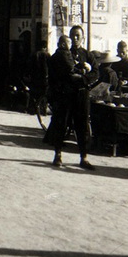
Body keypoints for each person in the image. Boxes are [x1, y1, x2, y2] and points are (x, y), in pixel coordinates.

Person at [44, 26, 99, 170]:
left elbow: (96, 73)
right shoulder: (62, 54)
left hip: (81, 94)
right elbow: (56, 74)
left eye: (78, 36)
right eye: (73, 36)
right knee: (61, 124)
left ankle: (84, 157)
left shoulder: (87, 55)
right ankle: (58, 154)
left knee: (82, 126)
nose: (75, 39)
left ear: (83, 37)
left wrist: (83, 79)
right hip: (65, 95)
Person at [26, 40, 50, 114]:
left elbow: (29, 67)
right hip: (44, 78)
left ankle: (33, 109)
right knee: (43, 95)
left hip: (35, 77)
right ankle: (43, 110)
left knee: (34, 94)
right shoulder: (47, 55)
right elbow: (49, 67)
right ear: (45, 47)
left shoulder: (33, 55)